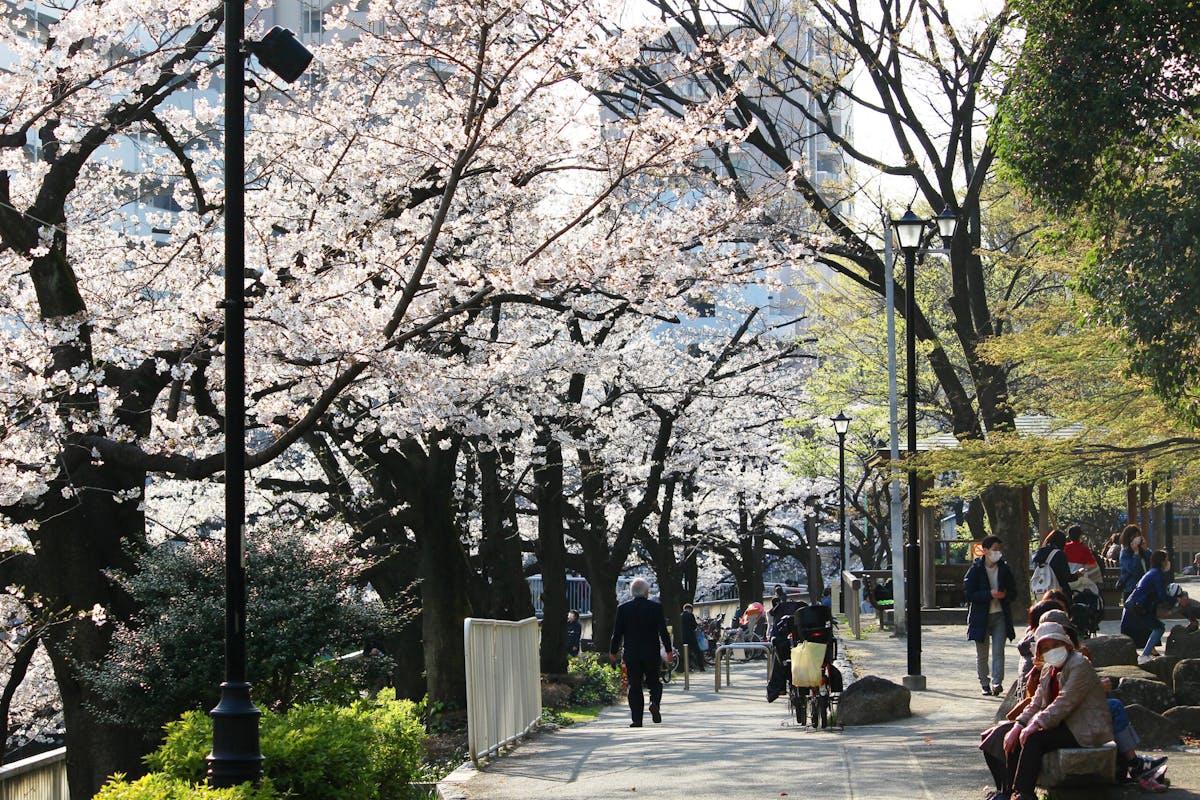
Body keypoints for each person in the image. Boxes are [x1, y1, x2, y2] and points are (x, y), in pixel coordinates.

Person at [980, 622, 1114, 800]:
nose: (1051, 650)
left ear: (1065, 644)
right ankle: (1007, 792)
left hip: (1083, 728)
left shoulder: (1079, 664)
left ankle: (1024, 793)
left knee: (1033, 738)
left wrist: (1034, 724)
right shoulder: (1048, 669)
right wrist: (1019, 724)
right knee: (1006, 735)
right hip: (1058, 723)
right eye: (1045, 648)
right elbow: (1036, 702)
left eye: (1055, 644)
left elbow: (1064, 702)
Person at [610, 577, 672, 727]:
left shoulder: (623, 609)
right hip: (651, 652)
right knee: (654, 682)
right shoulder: (656, 608)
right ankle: (654, 703)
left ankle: (637, 720)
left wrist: (613, 651)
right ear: (646, 592)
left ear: (632, 592)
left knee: (635, 685)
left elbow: (617, 633)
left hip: (632, 653)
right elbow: (663, 631)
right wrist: (669, 650)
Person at [965, 535, 1017, 696]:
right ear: (985, 550)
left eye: (999, 550)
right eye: (994, 549)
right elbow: (969, 593)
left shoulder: (1004, 569)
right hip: (980, 617)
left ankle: (997, 682)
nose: (997, 553)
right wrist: (989, 594)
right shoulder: (976, 569)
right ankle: (984, 683)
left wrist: (1005, 595)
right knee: (982, 654)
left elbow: (1014, 591)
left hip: (1000, 615)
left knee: (998, 651)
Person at [1122, 549, 1192, 664]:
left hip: (1135, 606)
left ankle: (1146, 653)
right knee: (1159, 628)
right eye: (1166, 560)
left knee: (1156, 627)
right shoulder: (1158, 574)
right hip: (1138, 607)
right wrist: (1178, 600)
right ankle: (1145, 655)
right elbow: (1162, 596)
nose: (1168, 562)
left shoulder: (1153, 572)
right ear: (1162, 561)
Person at [1030, 529, 1078, 602]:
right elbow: (1066, 577)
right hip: (1057, 594)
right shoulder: (1059, 554)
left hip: (1040, 592)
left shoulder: (1040, 553)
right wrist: (1077, 575)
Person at [1119, 524, 1150, 602]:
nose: (1137, 538)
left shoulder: (1142, 550)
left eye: (1138, 535)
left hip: (1144, 587)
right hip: (1131, 589)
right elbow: (1133, 569)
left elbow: (1150, 564)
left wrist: (1145, 550)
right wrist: (1136, 554)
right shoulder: (1125, 553)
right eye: (1134, 536)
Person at [679, 603, 704, 672]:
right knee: (697, 651)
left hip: (683, 637)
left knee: (686, 652)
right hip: (691, 636)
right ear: (690, 609)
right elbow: (694, 626)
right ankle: (701, 667)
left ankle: (688, 667)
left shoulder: (680, 616)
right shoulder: (690, 615)